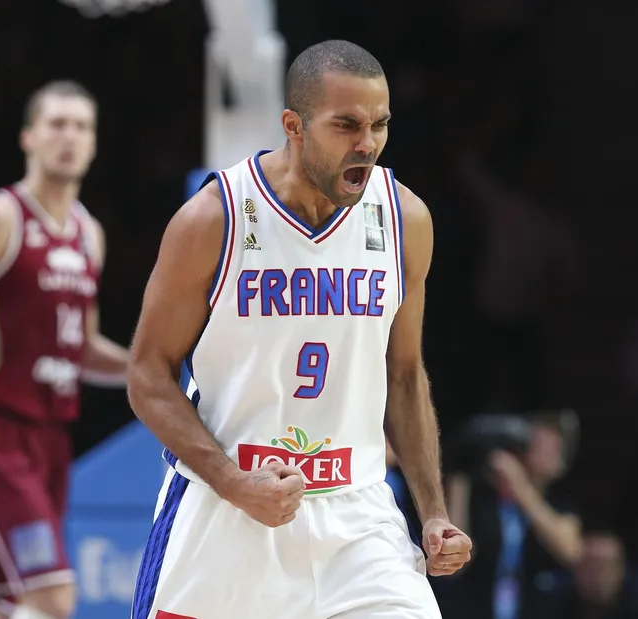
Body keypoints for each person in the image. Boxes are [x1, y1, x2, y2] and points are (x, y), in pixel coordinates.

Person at [127, 40, 471, 619]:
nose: (368, 143)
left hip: (356, 513)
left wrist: (433, 510)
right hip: (228, 509)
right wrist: (233, 481)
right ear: (293, 125)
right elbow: (146, 373)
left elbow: (404, 374)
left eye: (380, 125)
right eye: (346, 125)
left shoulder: (404, 220)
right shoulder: (216, 219)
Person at [0, 80, 128, 619]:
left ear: (93, 143)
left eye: (81, 126)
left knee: (1, 602)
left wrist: (150, 372)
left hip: (48, 438)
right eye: (57, 124)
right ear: (28, 137)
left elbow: (83, 346)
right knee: (52, 598)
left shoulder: (89, 234)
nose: (70, 137)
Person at [444, 411, 582, 619]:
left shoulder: (558, 506)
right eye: (536, 443)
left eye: (552, 449)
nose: (541, 451)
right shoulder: (482, 496)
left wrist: (520, 487)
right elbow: (456, 561)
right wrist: (460, 481)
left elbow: (571, 550)